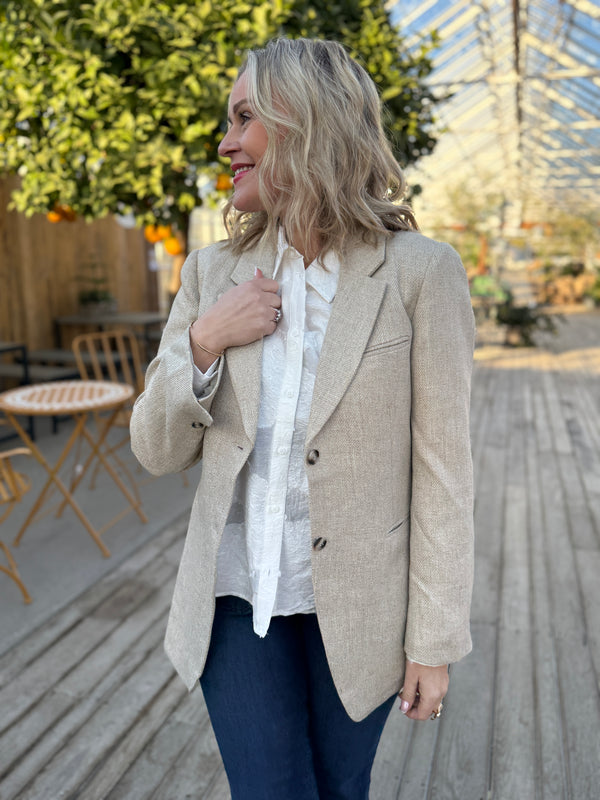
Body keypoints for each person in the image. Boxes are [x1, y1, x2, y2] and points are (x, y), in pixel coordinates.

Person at [130, 37, 474, 800]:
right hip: (234, 597)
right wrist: (205, 340)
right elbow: (154, 449)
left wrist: (434, 639)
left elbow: (444, 474)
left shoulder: (420, 274)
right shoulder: (211, 272)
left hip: (362, 608)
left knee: (341, 788)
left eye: (244, 118)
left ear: (308, 121)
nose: (225, 143)